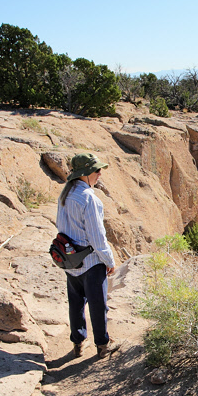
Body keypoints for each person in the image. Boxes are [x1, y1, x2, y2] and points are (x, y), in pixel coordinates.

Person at [56, 153, 120, 359]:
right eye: (97, 170)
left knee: (75, 303)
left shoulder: (66, 194)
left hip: (70, 259)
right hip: (91, 262)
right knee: (98, 305)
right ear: (86, 173)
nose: (100, 173)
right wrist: (109, 261)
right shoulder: (89, 199)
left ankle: (78, 342)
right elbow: (97, 237)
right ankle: (102, 345)